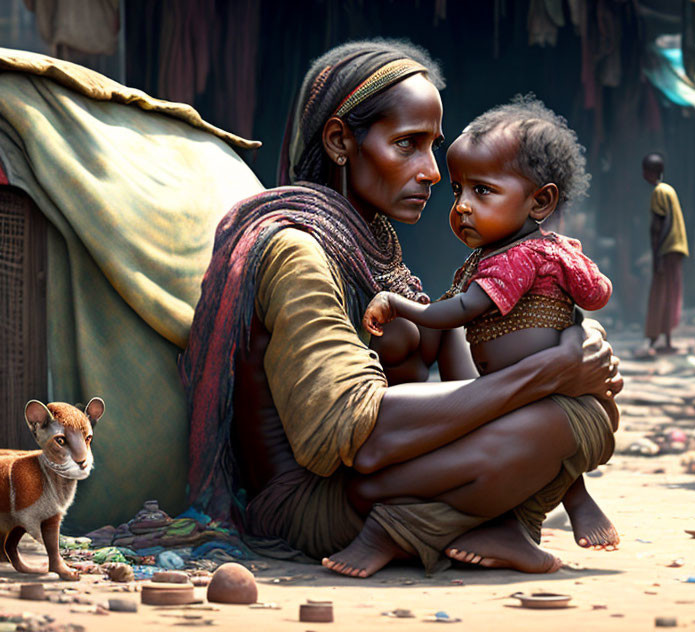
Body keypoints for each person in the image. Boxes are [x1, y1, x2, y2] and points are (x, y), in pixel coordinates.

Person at [181, 40, 624, 581]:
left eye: (433, 147)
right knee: (564, 418)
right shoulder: (298, 251)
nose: (434, 173)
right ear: (342, 141)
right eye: (408, 145)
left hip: (392, 476)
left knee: (576, 410)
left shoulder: (374, 247)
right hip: (318, 500)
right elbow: (353, 436)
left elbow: (468, 374)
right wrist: (553, 371)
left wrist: (561, 343)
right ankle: (454, 520)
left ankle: (484, 520)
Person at [360, 95, 616, 553]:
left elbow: (457, 313)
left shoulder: (516, 260)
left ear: (541, 201)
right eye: (458, 190)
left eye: (482, 191)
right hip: (523, 387)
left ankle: (569, 507)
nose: (461, 206)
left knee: (519, 445)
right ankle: (526, 527)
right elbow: (597, 294)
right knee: (522, 453)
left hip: (536, 389)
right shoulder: (508, 255)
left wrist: (400, 306)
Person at [642, 152, 688, 353]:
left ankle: (656, 341)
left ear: (648, 173)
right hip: (676, 248)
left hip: (666, 249)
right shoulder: (669, 190)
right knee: (670, 292)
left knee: (660, 293)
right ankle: (665, 340)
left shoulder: (659, 192)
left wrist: (656, 254)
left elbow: (657, 226)